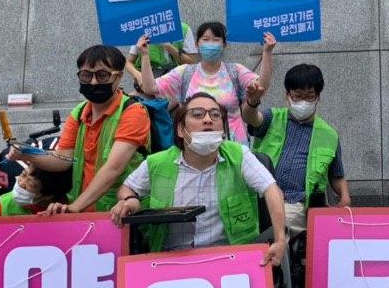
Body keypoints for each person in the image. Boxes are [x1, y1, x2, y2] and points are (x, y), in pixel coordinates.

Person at [112, 92, 288, 265]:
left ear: (224, 131)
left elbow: (271, 188)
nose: (208, 120)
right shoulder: (157, 162)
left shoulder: (239, 155)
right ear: (181, 130)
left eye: (215, 115)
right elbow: (127, 188)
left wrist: (280, 240)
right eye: (197, 114)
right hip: (171, 261)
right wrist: (129, 200)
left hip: (229, 258)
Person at [18, 44, 151, 213]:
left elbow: (113, 168)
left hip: (119, 212)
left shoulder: (133, 112)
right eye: (86, 75)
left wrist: (75, 207)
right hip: (83, 211)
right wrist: (27, 153)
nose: (93, 82)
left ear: (119, 77)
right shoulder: (79, 111)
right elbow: (63, 160)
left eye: (102, 75)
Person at [243, 62, 351, 236]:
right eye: (297, 96)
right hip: (260, 198)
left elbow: (337, 175)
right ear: (287, 95)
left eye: (309, 97)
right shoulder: (273, 117)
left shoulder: (329, 134)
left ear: (318, 97)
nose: (303, 102)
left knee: (280, 225)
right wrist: (252, 102)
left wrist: (345, 196)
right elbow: (251, 118)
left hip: (298, 203)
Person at [144, 21, 275, 142]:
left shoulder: (235, 71)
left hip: (234, 147)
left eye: (216, 40)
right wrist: (144, 55)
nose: (210, 44)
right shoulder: (184, 72)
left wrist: (267, 52)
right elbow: (150, 88)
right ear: (197, 44)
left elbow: (261, 86)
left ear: (224, 45)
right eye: (205, 40)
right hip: (195, 147)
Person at [125, 22, 196, 87]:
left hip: (175, 82)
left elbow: (192, 62)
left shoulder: (183, 29)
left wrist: (168, 47)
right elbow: (128, 62)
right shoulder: (142, 30)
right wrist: (138, 75)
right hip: (148, 80)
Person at [0, 163, 73, 216]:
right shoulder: (3, 207)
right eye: (23, 174)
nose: (21, 183)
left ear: (48, 196)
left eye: (31, 184)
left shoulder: (69, 206)